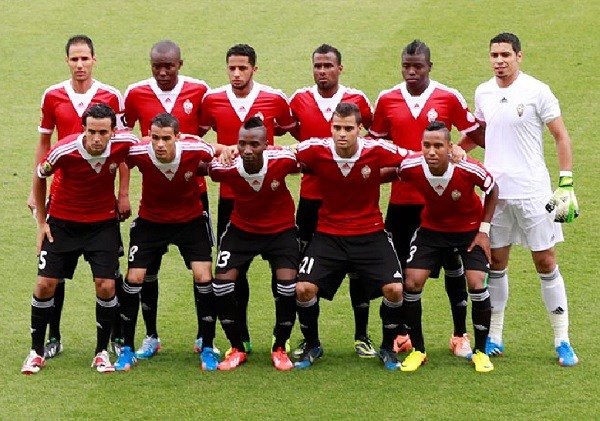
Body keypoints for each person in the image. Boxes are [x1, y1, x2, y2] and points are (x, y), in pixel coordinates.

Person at [370, 39, 484, 358]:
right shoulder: (387, 99)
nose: (411, 71)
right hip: (402, 201)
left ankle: (459, 335)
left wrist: (458, 149)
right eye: (406, 66)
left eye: (417, 66)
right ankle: (403, 334)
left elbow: (476, 132)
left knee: (454, 268)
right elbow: (375, 144)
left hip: (441, 201)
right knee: (402, 271)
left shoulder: (448, 96)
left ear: (429, 67)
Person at [471, 32, 578, 366]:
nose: (499, 61)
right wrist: (456, 149)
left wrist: (566, 183)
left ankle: (562, 340)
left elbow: (561, 136)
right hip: (495, 195)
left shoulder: (537, 91)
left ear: (519, 56)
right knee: (496, 263)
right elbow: (481, 133)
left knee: (545, 261)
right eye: (494, 55)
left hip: (533, 192)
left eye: (505, 55)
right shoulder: (483, 92)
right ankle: (494, 336)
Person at [29, 35, 128, 360]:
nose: (80, 64)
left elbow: (122, 148)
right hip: (62, 195)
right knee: (54, 275)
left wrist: (123, 192)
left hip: (100, 200)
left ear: (94, 59)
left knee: (108, 275)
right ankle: (53, 336)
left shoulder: (111, 95)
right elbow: (45, 147)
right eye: (74, 59)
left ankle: (114, 337)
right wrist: (34, 192)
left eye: (85, 58)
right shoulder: (52, 95)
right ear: (67, 61)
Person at [21, 104, 138, 375]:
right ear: (83, 129)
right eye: (91, 132)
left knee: (106, 285)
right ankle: (36, 352)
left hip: (102, 225)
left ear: (113, 131)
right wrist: (42, 223)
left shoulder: (124, 144)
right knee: (45, 284)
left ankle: (101, 352)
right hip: (62, 224)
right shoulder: (64, 150)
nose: (97, 138)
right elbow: (40, 175)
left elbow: (153, 148)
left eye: (103, 133)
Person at [294, 102, 408, 371]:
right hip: (328, 235)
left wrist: (454, 152)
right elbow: (280, 154)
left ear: (359, 129)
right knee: (303, 288)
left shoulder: (376, 149)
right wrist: (231, 151)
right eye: (337, 128)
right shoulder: (316, 148)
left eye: (348, 128)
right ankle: (312, 345)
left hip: (370, 234)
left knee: (395, 289)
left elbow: (413, 158)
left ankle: (387, 347)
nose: (342, 134)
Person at [199, 43, 296, 353]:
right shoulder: (212, 99)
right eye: (232, 68)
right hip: (232, 198)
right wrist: (222, 149)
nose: (237, 73)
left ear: (255, 68)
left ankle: (281, 338)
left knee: (281, 273)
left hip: (269, 197)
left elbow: (293, 135)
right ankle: (240, 339)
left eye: (243, 68)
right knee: (233, 274)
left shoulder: (274, 99)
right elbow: (196, 138)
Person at [385, 121, 498, 373]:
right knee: (411, 281)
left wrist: (484, 230)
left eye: (438, 146)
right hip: (431, 231)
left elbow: (492, 188)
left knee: (477, 282)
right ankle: (418, 350)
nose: (431, 151)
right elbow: (391, 172)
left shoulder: (467, 168)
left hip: (468, 231)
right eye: (426, 145)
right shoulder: (413, 166)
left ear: (450, 147)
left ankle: (480, 352)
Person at [114, 113, 223, 371]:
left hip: (190, 222)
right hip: (151, 222)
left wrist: (229, 151)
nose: (160, 144)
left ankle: (207, 345)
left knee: (204, 277)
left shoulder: (194, 147)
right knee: (135, 278)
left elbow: (218, 149)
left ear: (177, 137)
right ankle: (132, 347)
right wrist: (122, 194)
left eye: (166, 138)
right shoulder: (139, 151)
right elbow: (117, 157)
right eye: (155, 138)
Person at [123, 40, 211, 359]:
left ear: (179, 64)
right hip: (154, 204)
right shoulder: (135, 93)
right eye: (156, 66)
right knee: (147, 271)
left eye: (168, 66)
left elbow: (206, 139)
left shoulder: (200, 90)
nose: (162, 72)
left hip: (193, 196)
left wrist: (190, 163)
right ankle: (150, 336)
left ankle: (204, 337)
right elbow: (122, 142)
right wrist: (122, 193)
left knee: (202, 271)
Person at [289, 44, 377, 358]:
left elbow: (374, 138)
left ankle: (362, 335)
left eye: (328, 65)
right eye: (318, 66)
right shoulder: (299, 99)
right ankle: (309, 339)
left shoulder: (358, 100)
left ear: (340, 68)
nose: (323, 71)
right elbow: (296, 138)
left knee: (358, 268)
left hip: (350, 200)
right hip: (311, 199)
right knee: (304, 270)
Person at [208, 117, 299, 371]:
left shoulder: (283, 159)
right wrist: (223, 152)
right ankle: (237, 347)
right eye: (242, 144)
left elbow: (310, 155)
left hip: (281, 231)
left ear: (266, 145)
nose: (247, 150)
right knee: (221, 285)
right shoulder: (226, 167)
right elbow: (207, 166)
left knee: (288, 287)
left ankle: (279, 347)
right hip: (242, 231)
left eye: (255, 145)